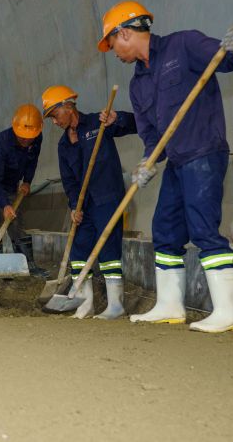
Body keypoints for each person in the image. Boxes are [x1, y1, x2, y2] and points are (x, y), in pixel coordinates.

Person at [97, 0, 233, 332]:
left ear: (124, 33)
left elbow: (228, 59)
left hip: (204, 152)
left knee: (203, 228)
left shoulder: (184, 45)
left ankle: (228, 312)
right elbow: (152, 135)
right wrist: (147, 161)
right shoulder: (137, 84)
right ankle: (170, 306)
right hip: (179, 161)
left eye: (112, 43)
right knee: (166, 231)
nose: (113, 52)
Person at [43, 85, 137, 319]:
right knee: (79, 250)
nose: (54, 122)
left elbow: (135, 124)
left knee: (108, 250)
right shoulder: (63, 145)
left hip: (107, 198)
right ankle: (85, 304)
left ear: (68, 106)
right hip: (84, 205)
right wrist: (74, 206)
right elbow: (69, 181)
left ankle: (115, 305)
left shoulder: (99, 122)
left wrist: (118, 118)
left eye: (54, 115)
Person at [0, 104, 48, 278]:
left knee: (16, 221)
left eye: (30, 137)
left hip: (10, 180)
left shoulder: (36, 137)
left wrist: (27, 181)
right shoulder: (3, 144)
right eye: (22, 138)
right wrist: (4, 204)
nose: (27, 141)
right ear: (15, 128)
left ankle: (27, 264)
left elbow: (32, 161)